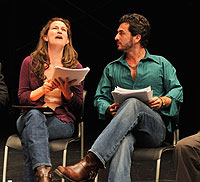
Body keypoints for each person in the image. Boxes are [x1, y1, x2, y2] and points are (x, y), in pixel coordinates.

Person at [54, 13, 183, 182]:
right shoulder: (111, 68)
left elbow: (177, 90)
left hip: (153, 130)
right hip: (122, 130)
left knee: (132, 103)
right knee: (123, 141)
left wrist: (164, 100)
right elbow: (99, 98)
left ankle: (90, 162)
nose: (116, 37)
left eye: (121, 33)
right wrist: (107, 107)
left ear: (137, 37)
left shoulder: (161, 63)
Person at [16, 17, 84, 182]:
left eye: (63, 30)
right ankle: (44, 172)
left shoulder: (75, 67)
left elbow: (79, 106)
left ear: (67, 40)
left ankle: (43, 174)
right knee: (34, 116)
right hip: (27, 117)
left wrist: (66, 92)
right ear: (45, 36)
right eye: (55, 28)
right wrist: (42, 90)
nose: (59, 31)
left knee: (30, 136)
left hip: (60, 121)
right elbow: (22, 97)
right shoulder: (30, 62)